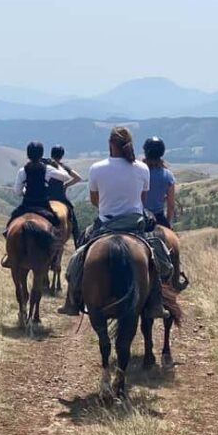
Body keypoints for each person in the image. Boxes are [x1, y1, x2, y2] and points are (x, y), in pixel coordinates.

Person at [58, 126, 169, 317]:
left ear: (110, 145)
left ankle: (72, 300)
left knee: (78, 256)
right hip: (135, 224)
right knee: (157, 258)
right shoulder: (142, 168)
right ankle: (156, 302)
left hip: (105, 223)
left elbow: (95, 201)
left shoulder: (97, 168)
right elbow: (142, 200)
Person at [1, 141, 70, 267]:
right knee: (56, 226)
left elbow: (17, 191)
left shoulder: (23, 170)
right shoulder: (48, 169)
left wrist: (25, 191)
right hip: (43, 205)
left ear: (28, 154)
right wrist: (56, 164)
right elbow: (66, 177)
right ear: (41, 154)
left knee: (9, 226)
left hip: (26, 205)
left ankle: (9, 255)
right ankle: (54, 256)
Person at [46, 145, 83, 246]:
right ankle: (78, 243)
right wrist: (66, 185)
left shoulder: (46, 165)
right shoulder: (63, 167)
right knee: (73, 221)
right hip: (60, 197)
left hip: (46, 197)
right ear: (61, 156)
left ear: (51, 154)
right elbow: (78, 178)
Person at [142, 136, 176, 228]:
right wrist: (168, 223)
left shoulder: (138, 173)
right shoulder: (168, 176)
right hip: (159, 218)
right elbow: (171, 205)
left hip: (139, 217)